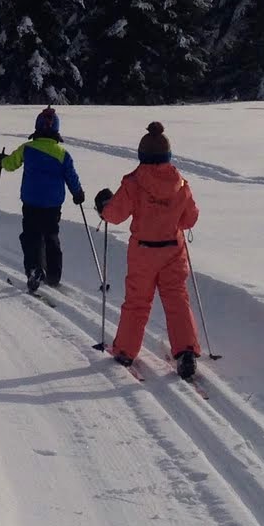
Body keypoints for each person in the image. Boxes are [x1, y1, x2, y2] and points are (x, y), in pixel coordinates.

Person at [94, 121, 202, 380]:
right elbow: (190, 219)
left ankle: (125, 351)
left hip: (143, 252)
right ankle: (186, 352)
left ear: (142, 154)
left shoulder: (134, 182)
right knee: (177, 300)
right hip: (173, 251)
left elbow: (115, 214)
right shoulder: (180, 183)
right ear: (168, 155)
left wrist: (104, 207)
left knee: (137, 301)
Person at [0, 106, 87, 294]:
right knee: (51, 235)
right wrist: (77, 193)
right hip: (53, 205)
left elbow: (11, 164)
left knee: (32, 236)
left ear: (37, 127)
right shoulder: (62, 154)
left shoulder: (27, 148)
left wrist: (2, 160)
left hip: (31, 202)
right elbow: (71, 177)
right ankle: (53, 274)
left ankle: (35, 269)